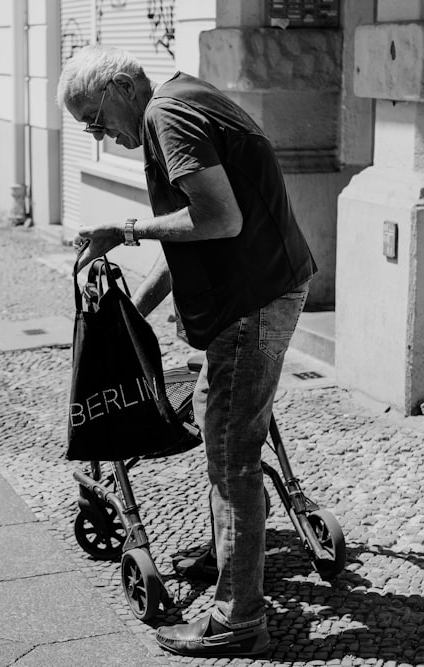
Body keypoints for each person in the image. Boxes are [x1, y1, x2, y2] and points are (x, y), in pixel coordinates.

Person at [57, 45, 315, 658]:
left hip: (249, 305)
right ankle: (228, 556)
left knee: (232, 457)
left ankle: (239, 618)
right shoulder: (183, 100)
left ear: (121, 88)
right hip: (258, 293)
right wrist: (132, 318)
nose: (97, 136)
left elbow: (218, 218)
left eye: (94, 119)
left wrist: (123, 232)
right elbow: (192, 235)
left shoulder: (166, 118)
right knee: (223, 439)